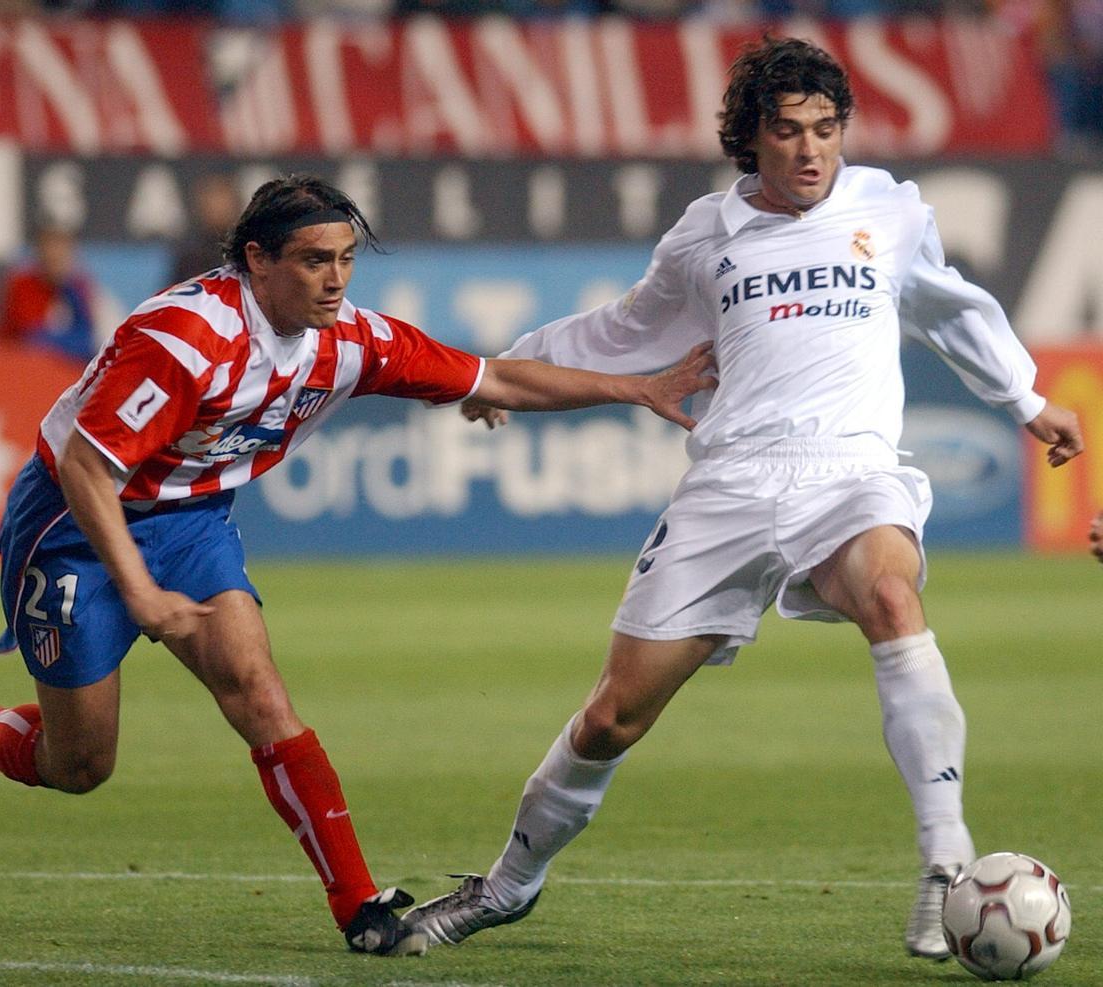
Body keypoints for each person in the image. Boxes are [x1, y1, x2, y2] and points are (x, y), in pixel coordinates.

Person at [402, 37, 1084, 962]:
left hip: (850, 466)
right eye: (788, 132)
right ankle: (507, 886)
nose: (811, 150)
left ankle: (943, 857)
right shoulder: (704, 236)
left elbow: (948, 305)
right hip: (731, 481)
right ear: (750, 142)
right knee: (612, 716)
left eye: (827, 130)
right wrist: (508, 367)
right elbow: (624, 329)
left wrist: (1027, 399)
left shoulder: (885, 210)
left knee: (891, 595)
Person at [0, 174, 716, 957]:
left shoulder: (350, 341)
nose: (335, 279)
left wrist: (635, 387)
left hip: (190, 521)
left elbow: (496, 375)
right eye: (313, 261)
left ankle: (360, 906)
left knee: (259, 690)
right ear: (257, 261)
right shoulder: (185, 338)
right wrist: (138, 589)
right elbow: (87, 468)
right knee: (80, 764)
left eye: (345, 259)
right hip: (73, 529)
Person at [0, 223, 106, 365]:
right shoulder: (23, 285)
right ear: (39, 252)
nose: (55, 255)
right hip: (14, 364)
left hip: (57, 367)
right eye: (49, 249)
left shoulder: (77, 287)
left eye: (61, 250)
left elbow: (86, 339)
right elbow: (33, 339)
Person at [169, 173, 243, 287]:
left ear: (235, 203)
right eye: (212, 199)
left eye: (222, 198)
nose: (218, 206)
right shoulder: (190, 256)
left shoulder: (248, 251)